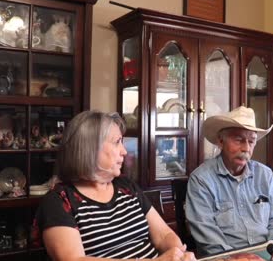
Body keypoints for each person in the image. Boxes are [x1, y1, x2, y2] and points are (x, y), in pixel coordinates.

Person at [33, 110, 195, 261]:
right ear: (90, 149)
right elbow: (75, 259)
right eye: (117, 142)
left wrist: (179, 253)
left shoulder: (126, 186)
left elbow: (163, 234)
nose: (124, 151)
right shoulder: (59, 201)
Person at [185, 106, 273, 256]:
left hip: (267, 254)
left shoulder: (264, 174)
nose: (246, 148)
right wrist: (238, 258)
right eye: (239, 140)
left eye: (251, 141)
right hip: (224, 258)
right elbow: (209, 239)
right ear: (221, 141)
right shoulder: (201, 180)